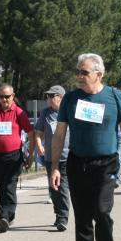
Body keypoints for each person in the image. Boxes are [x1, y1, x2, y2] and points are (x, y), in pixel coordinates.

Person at [50, 53, 121, 241]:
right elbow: (59, 135)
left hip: (106, 165)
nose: (79, 76)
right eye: (77, 71)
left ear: (99, 74)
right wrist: (55, 166)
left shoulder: (115, 97)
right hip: (78, 164)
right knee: (83, 219)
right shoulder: (70, 99)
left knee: (102, 213)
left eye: (84, 72)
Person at [0, 83, 35, 232]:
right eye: (1, 97)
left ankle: (4, 217)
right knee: (1, 188)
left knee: (9, 186)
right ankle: (8, 216)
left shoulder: (19, 113)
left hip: (14, 157)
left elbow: (31, 134)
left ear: (12, 96)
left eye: (7, 96)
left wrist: (30, 155)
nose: (4, 100)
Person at [34, 85, 71, 231]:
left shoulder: (69, 112)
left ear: (60, 97)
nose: (48, 99)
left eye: (51, 96)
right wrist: (39, 145)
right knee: (53, 188)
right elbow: (38, 132)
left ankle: (63, 217)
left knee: (62, 186)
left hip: (67, 156)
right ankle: (58, 215)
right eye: (48, 96)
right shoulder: (45, 113)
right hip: (50, 157)